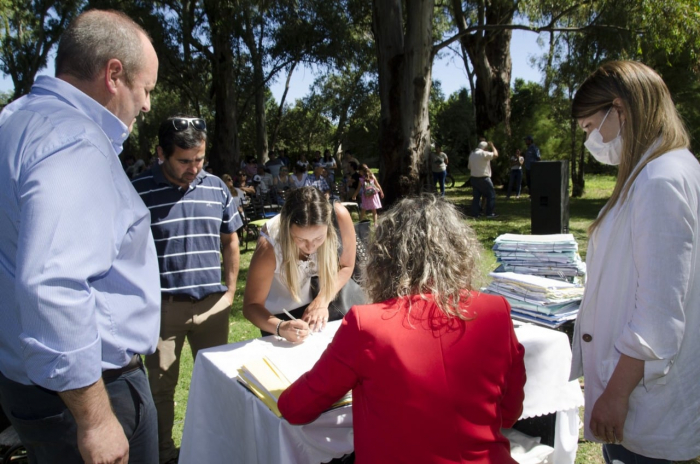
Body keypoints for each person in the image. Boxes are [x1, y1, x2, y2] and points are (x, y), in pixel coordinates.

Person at [0, 10, 160, 464]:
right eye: (145, 89)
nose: (147, 105)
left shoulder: (16, 119)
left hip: (33, 383)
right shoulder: (75, 142)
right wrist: (95, 420)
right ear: (114, 74)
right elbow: (54, 285)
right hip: (87, 393)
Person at [278, 195, 526, 463]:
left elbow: (295, 407)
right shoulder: (496, 312)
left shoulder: (367, 324)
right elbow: (509, 412)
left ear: (385, 259)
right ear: (460, 251)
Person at [570, 61, 700, 463]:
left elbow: (658, 317)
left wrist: (615, 394)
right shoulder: (668, 169)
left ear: (619, 110)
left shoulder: (660, 179)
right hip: (650, 396)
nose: (591, 140)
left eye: (591, 128)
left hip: (648, 405)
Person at [132, 116, 243, 464]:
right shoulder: (137, 190)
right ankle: (164, 455)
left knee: (223, 383)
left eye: (200, 159)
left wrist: (229, 292)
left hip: (213, 305)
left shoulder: (216, 187)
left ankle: (221, 448)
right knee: (160, 389)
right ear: (161, 153)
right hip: (163, 309)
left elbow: (231, 240)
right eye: (185, 160)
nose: (194, 168)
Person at [242, 187, 359, 340]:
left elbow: (346, 265)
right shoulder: (270, 245)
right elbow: (251, 306)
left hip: (328, 303)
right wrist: (280, 327)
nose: (310, 247)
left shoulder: (339, 216)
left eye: (318, 239)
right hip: (278, 317)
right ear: (287, 229)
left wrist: (322, 300)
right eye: (301, 240)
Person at [468, 140, 499, 218]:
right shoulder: (483, 153)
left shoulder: (472, 154)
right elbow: (495, 154)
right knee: (491, 194)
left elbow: (469, 167)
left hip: (474, 178)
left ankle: (475, 214)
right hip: (484, 178)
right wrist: (492, 146)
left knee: (476, 197)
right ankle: (489, 213)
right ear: (485, 148)